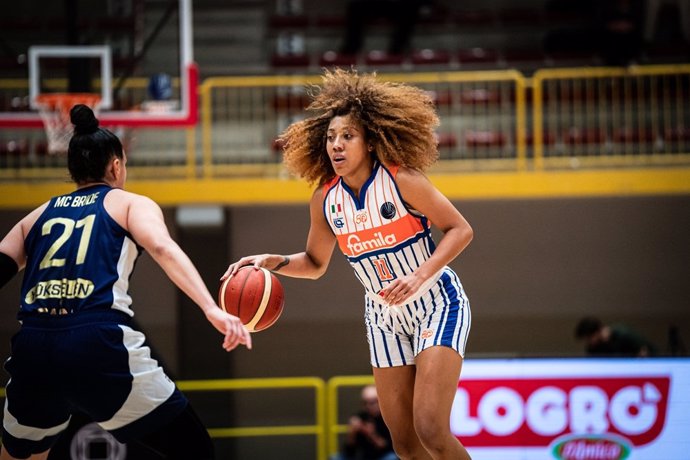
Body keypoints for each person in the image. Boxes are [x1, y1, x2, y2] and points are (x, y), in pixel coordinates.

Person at [223, 68, 473, 460]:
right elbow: (316, 262)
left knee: (430, 429)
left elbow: (460, 229)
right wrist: (275, 262)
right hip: (383, 314)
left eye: (347, 136)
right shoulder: (325, 199)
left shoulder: (402, 179)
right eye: (330, 138)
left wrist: (419, 276)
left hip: (436, 304)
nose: (336, 146)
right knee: (406, 444)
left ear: (370, 142)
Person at [0, 104, 252, 460]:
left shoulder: (37, 216)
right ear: (116, 166)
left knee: (20, 456)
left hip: (34, 344)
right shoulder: (130, 204)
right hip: (97, 340)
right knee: (194, 449)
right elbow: (163, 248)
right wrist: (211, 308)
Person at [332, 385, 397, 460]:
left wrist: (371, 435)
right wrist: (352, 433)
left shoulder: (389, 419)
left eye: (372, 403)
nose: (368, 406)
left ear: (380, 401)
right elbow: (349, 451)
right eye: (365, 403)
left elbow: (389, 449)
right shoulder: (359, 417)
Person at [574, 316, 657, 357]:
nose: (588, 342)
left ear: (596, 332)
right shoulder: (593, 348)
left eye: (589, 338)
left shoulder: (624, 334)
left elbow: (645, 351)